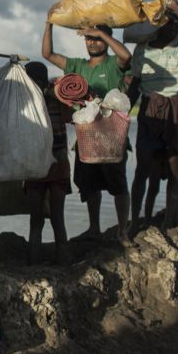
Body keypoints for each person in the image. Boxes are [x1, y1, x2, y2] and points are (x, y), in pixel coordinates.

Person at [42, 14, 132, 241]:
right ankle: (94, 228)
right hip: (87, 137)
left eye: (97, 39)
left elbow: (125, 55)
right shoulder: (77, 66)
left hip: (112, 135)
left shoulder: (113, 64)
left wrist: (100, 32)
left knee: (118, 184)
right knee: (90, 185)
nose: (92, 42)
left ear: (106, 39)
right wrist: (49, 23)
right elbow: (48, 54)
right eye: (89, 39)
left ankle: (122, 230)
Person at [129, 0, 178, 230]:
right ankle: (135, 220)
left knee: (174, 164)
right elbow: (135, 83)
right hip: (151, 106)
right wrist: (122, 113)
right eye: (167, 22)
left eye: (175, 23)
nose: (172, 27)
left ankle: (170, 218)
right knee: (143, 167)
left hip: (176, 104)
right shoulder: (142, 49)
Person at [24, 63, 72, 264]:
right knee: (56, 216)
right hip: (55, 161)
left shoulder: (27, 100)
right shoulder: (49, 99)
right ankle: (61, 259)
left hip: (40, 163)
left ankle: (36, 262)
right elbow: (70, 117)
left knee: (38, 219)